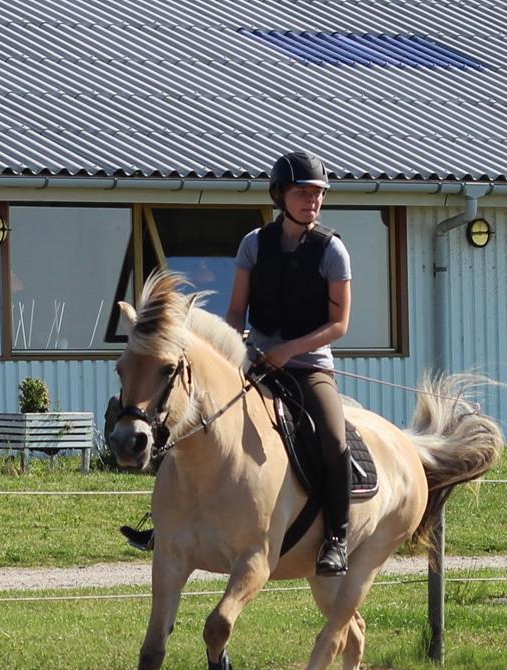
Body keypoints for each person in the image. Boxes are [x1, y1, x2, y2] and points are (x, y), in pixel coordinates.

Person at [122, 149, 353, 577]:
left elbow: (339, 324)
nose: (313, 201)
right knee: (187, 424)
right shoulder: (254, 244)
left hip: (310, 368)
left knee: (334, 442)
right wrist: (233, 352)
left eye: (318, 194)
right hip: (255, 361)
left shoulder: (332, 251)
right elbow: (235, 313)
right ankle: (164, 525)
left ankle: (336, 538)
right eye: (303, 193)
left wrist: (288, 350)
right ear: (281, 195)